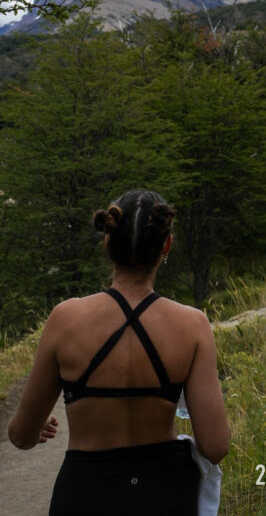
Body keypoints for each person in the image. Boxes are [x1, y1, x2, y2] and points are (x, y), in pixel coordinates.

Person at [7, 188, 231, 516]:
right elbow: (215, 447)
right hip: (166, 493)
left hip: (84, 494)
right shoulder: (192, 325)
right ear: (166, 246)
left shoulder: (64, 319)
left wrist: (32, 428)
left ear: (108, 241)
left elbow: (21, 437)